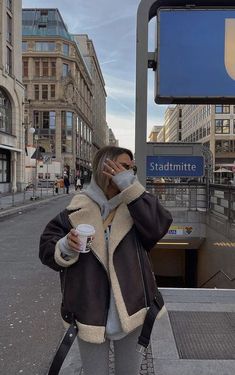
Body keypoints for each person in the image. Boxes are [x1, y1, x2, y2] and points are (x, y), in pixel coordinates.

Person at [39, 146, 172, 375]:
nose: (128, 172)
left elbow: (158, 226)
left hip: (131, 311)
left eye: (132, 168)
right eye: (122, 167)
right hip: (88, 312)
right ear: (105, 169)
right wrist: (65, 246)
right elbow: (46, 248)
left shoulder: (136, 207)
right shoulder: (77, 209)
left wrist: (130, 187)